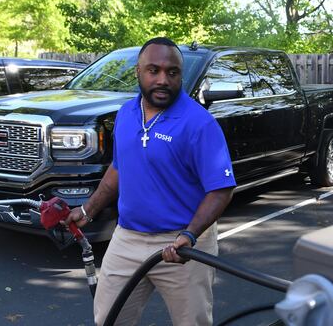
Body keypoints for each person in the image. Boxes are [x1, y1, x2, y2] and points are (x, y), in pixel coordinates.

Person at [64, 37, 236, 326]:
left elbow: (220, 189)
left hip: (183, 245)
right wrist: (87, 210)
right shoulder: (126, 114)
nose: (162, 80)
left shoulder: (199, 123)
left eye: (172, 72)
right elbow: (119, 169)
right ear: (138, 72)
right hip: (127, 238)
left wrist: (190, 235)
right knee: (109, 319)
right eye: (153, 70)